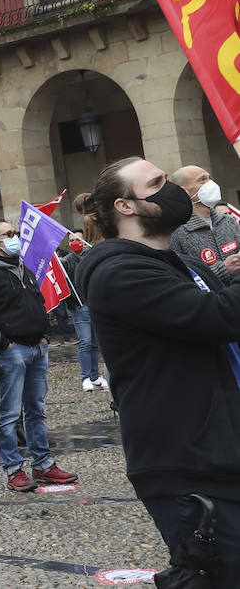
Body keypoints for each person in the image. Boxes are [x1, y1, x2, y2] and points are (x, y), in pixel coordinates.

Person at [76, 157, 240, 579]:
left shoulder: (181, 263)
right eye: (158, 183)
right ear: (126, 206)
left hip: (221, 449)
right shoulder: (118, 271)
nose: (175, 191)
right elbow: (218, 317)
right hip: (186, 462)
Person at [0, 219, 77, 492]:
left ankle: (43, 465)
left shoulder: (21, 267)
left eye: (15, 232)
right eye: (9, 234)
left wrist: (44, 333)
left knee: (36, 410)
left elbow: (37, 300)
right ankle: (14, 470)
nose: (15, 237)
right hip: (11, 352)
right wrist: (4, 344)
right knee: (10, 414)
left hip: (37, 347)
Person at [169, 164, 240, 287]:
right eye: (202, 179)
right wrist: (223, 269)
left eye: (210, 178)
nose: (210, 183)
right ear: (184, 191)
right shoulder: (175, 232)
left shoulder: (228, 221)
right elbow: (180, 278)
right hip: (211, 303)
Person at [58, 232, 106, 392]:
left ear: (84, 240)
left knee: (94, 342)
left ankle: (94, 376)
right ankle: (86, 377)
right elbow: (63, 286)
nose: (74, 243)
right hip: (78, 307)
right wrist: (72, 302)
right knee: (85, 341)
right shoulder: (66, 262)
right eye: (71, 241)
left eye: (77, 239)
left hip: (95, 304)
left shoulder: (93, 256)